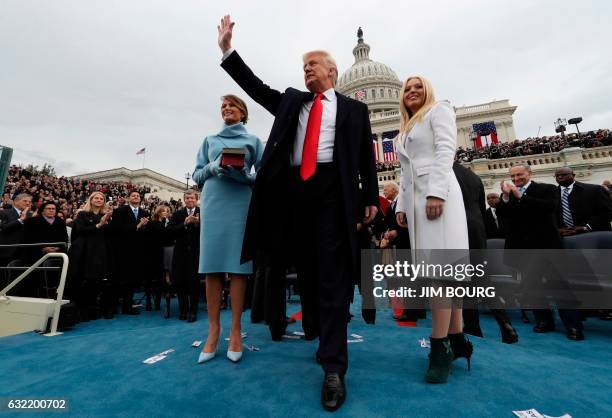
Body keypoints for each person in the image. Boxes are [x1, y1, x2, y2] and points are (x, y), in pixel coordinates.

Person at [217, 15, 378, 411]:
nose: (306, 70)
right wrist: (227, 51)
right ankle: (316, 334)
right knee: (303, 275)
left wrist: (370, 196)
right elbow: (254, 89)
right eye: (303, 65)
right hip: (290, 197)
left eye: (312, 64)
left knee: (333, 281)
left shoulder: (355, 111)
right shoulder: (292, 101)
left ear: (332, 72)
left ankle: (334, 368)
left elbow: (364, 159)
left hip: (331, 196)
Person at [394, 76, 471, 383]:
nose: (412, 91)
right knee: (442, 274)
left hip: (437, 196)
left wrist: (437, 192)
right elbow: (404, 171)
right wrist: (401, 206)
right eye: (407, 88)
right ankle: (457, 340)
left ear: (427, 92)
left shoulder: (439, 110)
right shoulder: (406, 127)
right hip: (416, 202)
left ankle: (439, 348)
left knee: (441, 274)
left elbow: (445, 150)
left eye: (418, 87)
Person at [192, 93, 263, 364]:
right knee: (211, 267)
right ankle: (213, 330)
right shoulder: (208, 141)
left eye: (232, 105)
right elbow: (197, 176)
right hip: (213, 203)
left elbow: (264, 176)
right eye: (222, 105)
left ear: (242, 111)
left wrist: (244, 175)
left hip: (240, 204)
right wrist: (213, 166)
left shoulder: (254, 141)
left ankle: (235, 330)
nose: (226, 108)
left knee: (238, 268)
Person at [495, 164, 583, 340]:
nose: (515, 179)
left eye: (519, 175)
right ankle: (544, 320)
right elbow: (503, 214)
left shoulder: (547, 189)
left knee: (560, 286)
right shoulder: (508, 195)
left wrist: (521, 197)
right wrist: (505, 196)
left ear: (529, 173)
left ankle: (573, 325)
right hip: (523, 250)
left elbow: (549, 208)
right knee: (533, 286)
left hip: (547, 246)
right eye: (512, 176)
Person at [453, 162, 518, 344]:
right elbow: (481, 209)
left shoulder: (442, 172)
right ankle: (505, 324)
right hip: (476, 231)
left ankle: (473, 327)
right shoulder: (473, 176)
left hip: (456, 230)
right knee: (482, 279)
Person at [68, 192, 114, 320]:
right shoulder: (82, 214)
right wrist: (99, 225)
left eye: (101, 198)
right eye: (96, 198)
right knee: (82, 281)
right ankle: (81, 311)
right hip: (84, 252)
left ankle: (92, 309)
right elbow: (80, 231)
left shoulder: (105, 216)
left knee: (95, 282)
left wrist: (107, 224)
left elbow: (108, 234)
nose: (99, 200)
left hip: (100, 253)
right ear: (91, 200)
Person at [109, 190, 149, 315]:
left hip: (138, 252)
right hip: (122, 251)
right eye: (133, 195)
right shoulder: (120, 211)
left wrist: (144, 227)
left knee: (132, 280)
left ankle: (128, 306)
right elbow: (116, 229)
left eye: (138, 196)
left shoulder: (145, 213)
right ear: (128, 198)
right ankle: (113, 307)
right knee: (119, 279)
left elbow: (147, 233)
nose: (136, 197)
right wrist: (137, 226)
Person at [21, 201, 69, 297]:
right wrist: (42, 248)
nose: (51, 210)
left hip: (56, 253)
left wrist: (57, 248)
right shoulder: (31, 221)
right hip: (35, 254)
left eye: (53, 209)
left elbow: (64, 239)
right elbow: (27, 238)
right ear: (42, 210)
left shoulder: (60, 222)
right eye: (49, 208)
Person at [170, 191, 201, 322]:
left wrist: (197, 224)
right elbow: (171, 232)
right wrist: (184, 223)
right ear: (184, 200)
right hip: (180, 254)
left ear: (196, 199)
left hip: (197, 254)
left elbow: (209, 232)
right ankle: (183, 310)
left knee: (194, 283)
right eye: (187, 198)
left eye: (192, 198)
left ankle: (193, 311)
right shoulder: (177, 214)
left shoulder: (203, 212)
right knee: (180, 282)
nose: (189, 200)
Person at [147, 205, 175, 318]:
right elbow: (153, 237)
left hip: (169, 251)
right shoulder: (152, 223)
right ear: (158, 212)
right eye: (163, 210)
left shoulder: (170, 222)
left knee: (167, 275)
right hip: (155, 252)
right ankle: (153, 301)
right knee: (158, 276)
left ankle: (166, 296)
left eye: (167, 211)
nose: (165, 212)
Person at [0, 193, 32, 268]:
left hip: (23, 252)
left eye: (29, 202)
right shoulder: (4, 212)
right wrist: (20, 220)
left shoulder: (30, 215)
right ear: (15, 201)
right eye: (25, 201)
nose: (28, 203)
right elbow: (4, 228)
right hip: (6, 251)